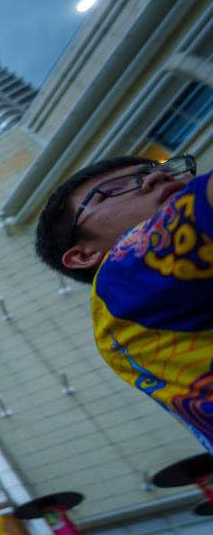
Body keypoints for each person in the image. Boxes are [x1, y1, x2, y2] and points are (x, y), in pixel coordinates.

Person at [33, 153, 213, 451]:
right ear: (84, 254)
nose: (160, 176)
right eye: (112, 192)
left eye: (163, 170)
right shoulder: (118, 278)